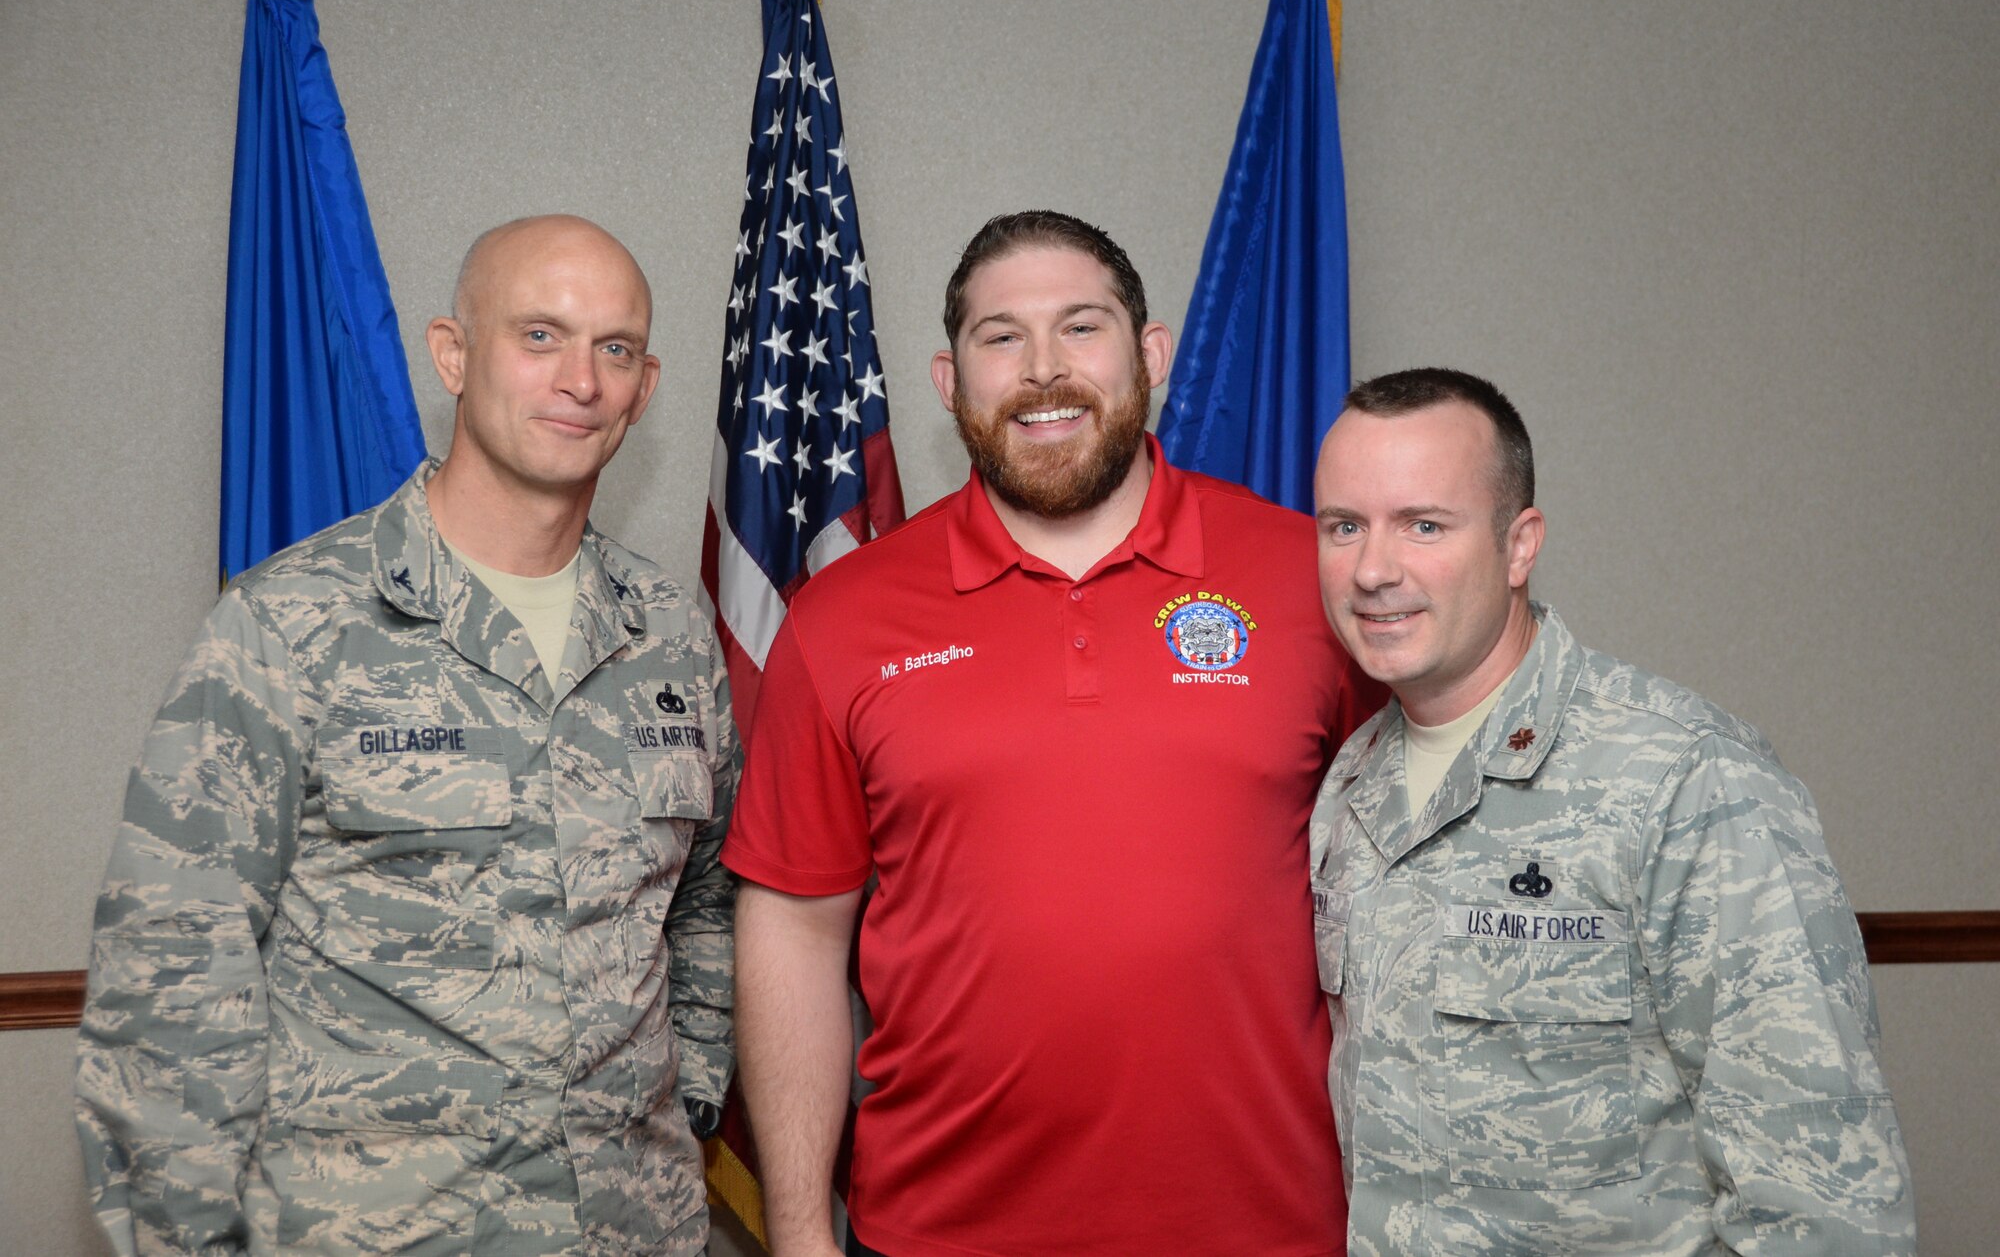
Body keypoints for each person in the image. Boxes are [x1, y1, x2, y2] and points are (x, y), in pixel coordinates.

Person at [74, 215, 740, 1255]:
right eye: (538, 336)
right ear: (452, 355)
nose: (581, 380)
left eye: (615, 349)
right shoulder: (292, 621)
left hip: (630, 1227)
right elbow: (170, 970)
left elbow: (705, 898)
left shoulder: (669, 634)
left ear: (644, 388)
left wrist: (690, 1096)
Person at [724, 210, 1386, 1257]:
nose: (1042, 369)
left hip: (1268, 1228)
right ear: (949, 382)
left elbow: (1412, 881)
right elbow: (796, 933)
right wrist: (803, 1239)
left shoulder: (1308, 581)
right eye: (1000, 337)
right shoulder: (843, 618)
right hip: (938, 1232)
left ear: (1149, 354)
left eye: (1081, 327)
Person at [1307, 367, 1915, 1254]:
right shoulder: (1349, 790)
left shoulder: (1687, 779)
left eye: (1424, 525)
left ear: (1520, 546)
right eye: (1344, 526)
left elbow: (1827, 1203)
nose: (1373, 569)